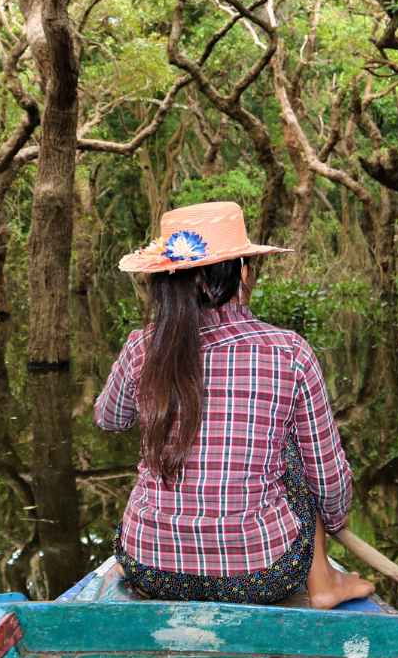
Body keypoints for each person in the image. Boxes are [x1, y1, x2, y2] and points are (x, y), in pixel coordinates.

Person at [95, 200, 374, 608]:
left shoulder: (142, 346)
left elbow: (109, 417)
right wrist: (334, 521)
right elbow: (328, 478)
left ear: (164, 281)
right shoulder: (287, 351)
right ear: (242, 273)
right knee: (297, 452)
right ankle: (325, 582)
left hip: (150, 569)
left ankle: (164, 542)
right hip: (259, 576)